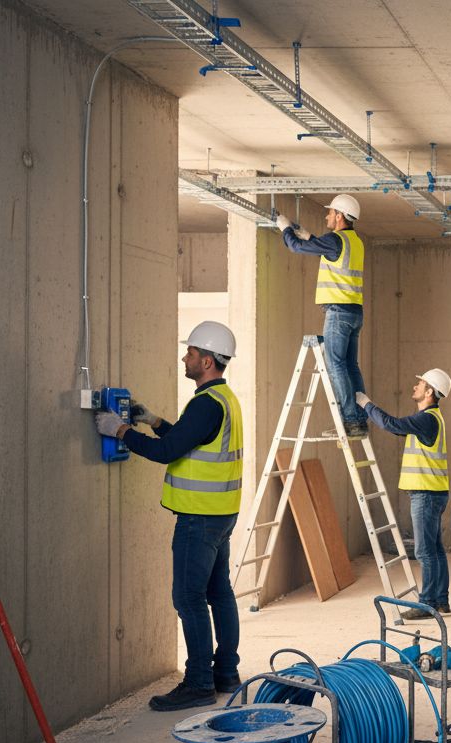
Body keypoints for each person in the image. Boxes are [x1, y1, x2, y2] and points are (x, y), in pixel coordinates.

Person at [94, 321, 244, 711]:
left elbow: (169, 452)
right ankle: (225, 672)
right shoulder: (224, 400)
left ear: (207, 361)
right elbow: (188, 439)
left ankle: (198, 684)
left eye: (191, 353)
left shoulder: (205, 404)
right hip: (220, 514)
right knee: (218, 593)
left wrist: (122, 430)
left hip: (198, 519)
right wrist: (155, 421)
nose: (185, 357)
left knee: (188, 598)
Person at [355, 368, 451, 620]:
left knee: (424, 552)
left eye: (419, 384)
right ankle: (440, 601)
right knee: (435, 550)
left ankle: (428, 604)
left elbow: (392, 425)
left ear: (429, 391)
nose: (415, 387)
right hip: (433, 492)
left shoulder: (428, 419)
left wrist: (366, 405)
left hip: (426, 494)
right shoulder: (430, 418)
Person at [276, 194, 369, 437]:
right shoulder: (354, 241)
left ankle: (350, 420)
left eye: (330, 212)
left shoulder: (335, 239)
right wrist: (312, 239)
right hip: (354, 311)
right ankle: (359, 417)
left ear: (339, 216)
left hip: (337, 312)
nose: (327, 215)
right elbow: (332, 256)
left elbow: (295, 247)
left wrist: (285, 228)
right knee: (350, 365)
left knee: (336, 364)